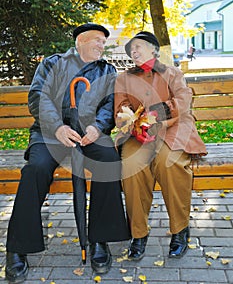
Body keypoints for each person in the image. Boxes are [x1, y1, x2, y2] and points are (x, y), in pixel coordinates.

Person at [5, 23, 129, 283]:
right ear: (81, 41)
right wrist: (58, 127)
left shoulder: (107, 70)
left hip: (88, 135)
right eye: (97, 40)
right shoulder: (53, 63)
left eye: (104, 42)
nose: (102, 46)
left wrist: (98, 127)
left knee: (109, 161)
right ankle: (18, 247)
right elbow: (38, 96)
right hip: (50, 134)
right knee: (35, 169)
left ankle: (99, 240)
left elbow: (109, 104)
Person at [114, 31, 207, 261]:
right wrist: (135, 125)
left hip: (172, 129)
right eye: (131, 49)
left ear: (154, 50)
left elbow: (183, 101)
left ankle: (180, 230)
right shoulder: (123, 78)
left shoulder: (172, 73)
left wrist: (155, 114)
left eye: (139, 47)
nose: (134, 52)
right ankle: (138, 234)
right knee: (132, 166)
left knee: (168, 163)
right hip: (139, 134)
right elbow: (121, 109)